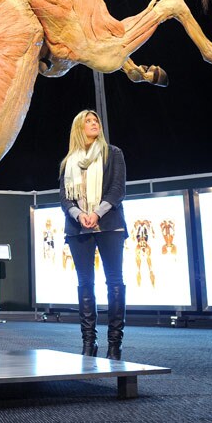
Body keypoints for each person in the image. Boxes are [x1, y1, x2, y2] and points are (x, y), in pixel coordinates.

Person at [59, 109, 128, 360]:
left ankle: (114, 344)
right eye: (88, 121)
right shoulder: (68, 162)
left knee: (114, 281)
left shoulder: (113, 153)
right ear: (79, 128)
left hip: (109, 224)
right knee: (85, 283)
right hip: (78, 228)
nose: (93, 124)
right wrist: (80, 215)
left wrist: (96, 213)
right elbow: (64, 198)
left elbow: (118, 189)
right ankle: (89, 343)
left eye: (95, 120)